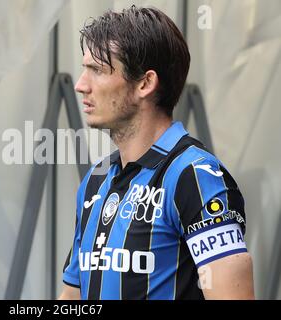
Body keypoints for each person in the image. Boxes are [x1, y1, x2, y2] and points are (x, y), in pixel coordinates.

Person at [59, 5, 254, 300]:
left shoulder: (196, 177)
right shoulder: (95, 181)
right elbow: (72, 296)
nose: (80, 85)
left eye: (97, 70)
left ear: (145, 83)